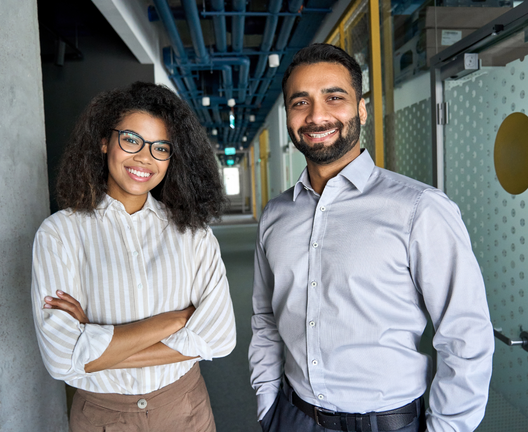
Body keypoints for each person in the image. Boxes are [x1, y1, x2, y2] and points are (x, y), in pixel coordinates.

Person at [248, 44, 494, 432]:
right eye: (301, 102)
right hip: (292, 416)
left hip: (387, 423)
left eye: (334, 97)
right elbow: (265, 318)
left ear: (361, 109)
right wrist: (267, 404)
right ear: (289, 117)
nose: (317, 115)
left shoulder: (420, 209)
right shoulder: (276, 216)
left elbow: (465, 333)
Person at [31, 82, 236, 432]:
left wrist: (93, 345)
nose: (145, 157)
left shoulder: (192, 233)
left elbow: (219, 338)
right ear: (104, 141)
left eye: (160, 148)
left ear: (173, 157)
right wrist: (177, 320)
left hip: (186, 408)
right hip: (102, 416)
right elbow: (60, 359)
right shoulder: (59, 234)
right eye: (131, 140)